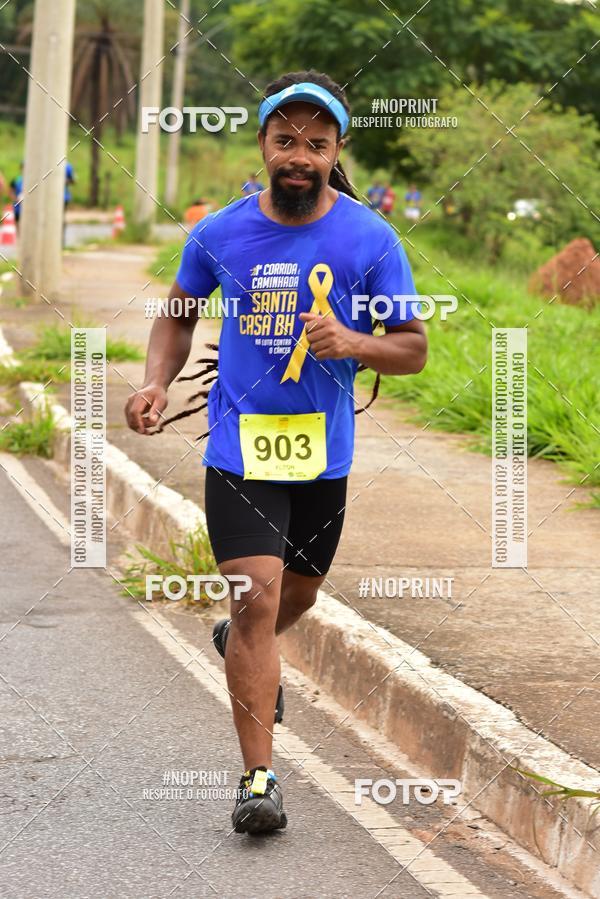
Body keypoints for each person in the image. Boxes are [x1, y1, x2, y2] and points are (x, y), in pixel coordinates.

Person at [124, 69, 427, 835]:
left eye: (316, 143)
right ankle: (258, 778)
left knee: (297, 597)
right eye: (286, 138)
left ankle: (241, 642)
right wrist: (155, 383)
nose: (300, 154)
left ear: (336, 150)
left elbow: (413, 348)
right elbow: (178, 315)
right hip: (239, 448)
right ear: (263, 143)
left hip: (323, 455)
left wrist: (355, 341)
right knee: (254, 597)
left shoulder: (370, 236)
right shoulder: (220, 232)